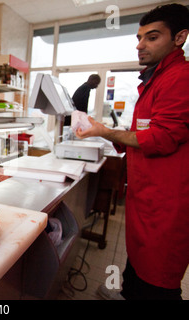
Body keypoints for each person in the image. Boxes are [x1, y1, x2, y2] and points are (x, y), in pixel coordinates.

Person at [76, 4, 189, 300]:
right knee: (138, 268)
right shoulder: (154, 80)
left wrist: (104, 132)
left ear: (179, 38)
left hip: (165, 205)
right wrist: (111, 135)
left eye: (152, 37)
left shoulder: (180, 77)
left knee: (158, 282)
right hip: (144, 198)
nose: (140, 45)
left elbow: (161, 137)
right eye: (139, 38)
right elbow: (142, 132)